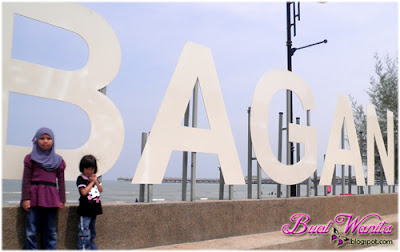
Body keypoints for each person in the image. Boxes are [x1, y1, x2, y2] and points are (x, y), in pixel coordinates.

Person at [21, 127, 66, 249]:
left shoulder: (59, 161)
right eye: (42, 138)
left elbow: (61, 182)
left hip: (51, 199)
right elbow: (26, 180)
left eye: (48, 138)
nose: (45, 141)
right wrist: (25, 199)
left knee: (51, 231)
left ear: (53, 141)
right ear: (36, 140)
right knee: (31, 232)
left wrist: (62, 200)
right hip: (33, 198)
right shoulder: (30, 158)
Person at [76, 155, 103, 250]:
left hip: (94, 210)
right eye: (87, 169)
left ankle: (91, 248)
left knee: (92, 232)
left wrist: (95, 181)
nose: (89, 171)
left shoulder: (95, 178)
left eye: (92, 169)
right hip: (85, 210)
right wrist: (91, 183)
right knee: (84, 232)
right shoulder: (81, 179)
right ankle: (83, 248)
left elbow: (100, 190)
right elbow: (83, 192)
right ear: (82, 168)